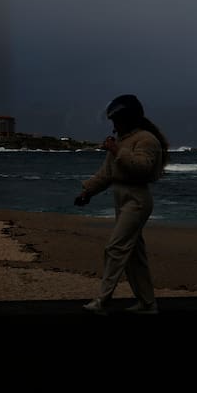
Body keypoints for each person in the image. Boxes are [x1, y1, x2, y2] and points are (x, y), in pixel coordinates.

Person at [73, 94, 169, 315]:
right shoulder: (124, 141)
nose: (114, 125)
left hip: (137, 200)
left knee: (115, 248)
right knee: (134, 256)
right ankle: (147, 303)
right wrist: (87, 191)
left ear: (127, 118)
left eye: (116, 120)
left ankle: (102, 301)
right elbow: (107, 174)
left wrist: (117, 151)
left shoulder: (147, 140)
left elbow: (142, 168)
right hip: (123, 199)